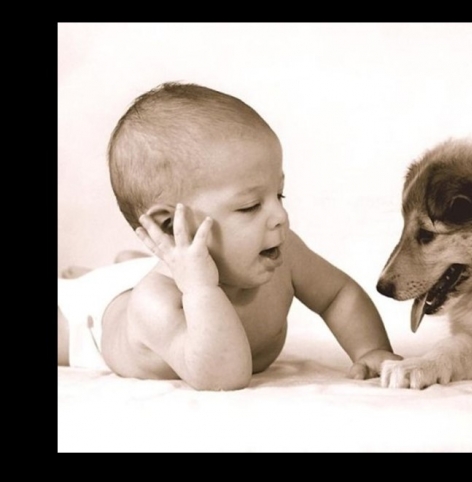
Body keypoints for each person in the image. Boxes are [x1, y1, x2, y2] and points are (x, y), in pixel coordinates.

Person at [57, 82, 402, 390]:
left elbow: (338, 295)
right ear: (171, 227)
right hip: (89, 321)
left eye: (279, 195)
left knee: (135, 272)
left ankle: (123, 266)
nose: (280, 216)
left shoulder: (283, 255)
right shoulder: (157, 303)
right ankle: (89, 280)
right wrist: (200, 289)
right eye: (250, 206)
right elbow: (223, 377)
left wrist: (370, 349)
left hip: (154, 271)